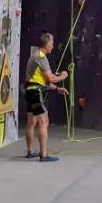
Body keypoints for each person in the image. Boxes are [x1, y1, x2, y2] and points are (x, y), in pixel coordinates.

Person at [24, 32, 69, 162]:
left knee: (31, 122)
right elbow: (51, 78)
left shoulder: (35, 55)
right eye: (52, 44)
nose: (52, 47)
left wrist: (57, 89)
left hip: (30, 91)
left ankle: (30, 151)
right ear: (47, 44)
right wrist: (62, 76)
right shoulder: (41, 57)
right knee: (44, 122)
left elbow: (42, 80)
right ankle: (44, 155)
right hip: (36, 93)